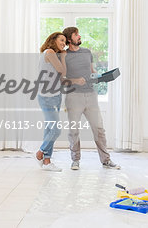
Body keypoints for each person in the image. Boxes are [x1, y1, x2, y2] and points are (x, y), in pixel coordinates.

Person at [62, 26, 120, 170]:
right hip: (73, 96)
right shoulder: (63, 55)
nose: (79, 36)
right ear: (69, 39)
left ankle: (106, 160)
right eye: (76, 35)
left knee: (99, 128)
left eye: (78, 34)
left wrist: (101, 77)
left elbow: (92, 71)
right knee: (74, 130)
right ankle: (75, 160)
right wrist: (75, 80)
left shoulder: (87, 52)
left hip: (91, 95)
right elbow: (61, 78)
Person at [35, 32, 72, 171]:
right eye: (61, 40)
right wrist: (63, 56)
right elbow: (62, 71)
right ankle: (40, 153)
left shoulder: (52, 54)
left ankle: (47, 162)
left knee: (49, 128)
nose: (64, 43)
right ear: (53, 40)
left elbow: (62, 75)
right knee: (56, 130)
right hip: (47, 97)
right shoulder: (49, 52)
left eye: (65, 41)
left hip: (55, 95)